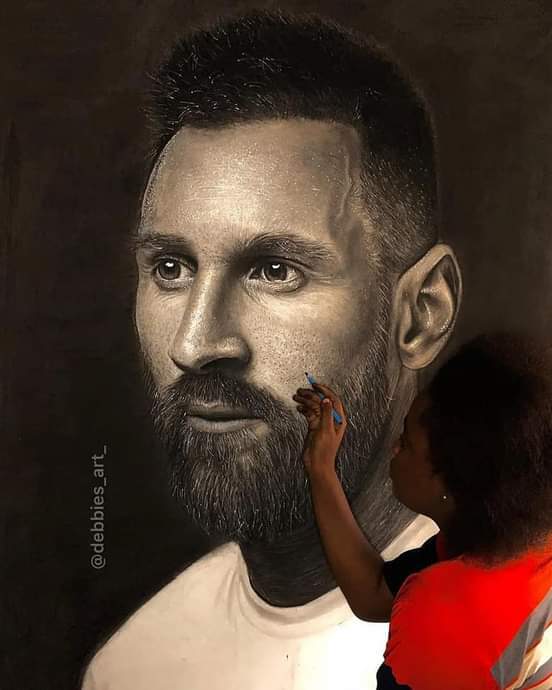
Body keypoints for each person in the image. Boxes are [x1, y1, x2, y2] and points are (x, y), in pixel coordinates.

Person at [81, 10, 462, 690]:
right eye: (171, 267)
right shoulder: (130, 667)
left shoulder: (523, 649)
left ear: (421, 315)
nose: (196, 344)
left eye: (275, 270)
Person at [294, 332, 552, 690]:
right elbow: (374, 594)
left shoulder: (445, 609)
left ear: (451, 482)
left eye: (407, 442)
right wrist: (321, 467)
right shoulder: (515, 541)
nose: (394, 448)